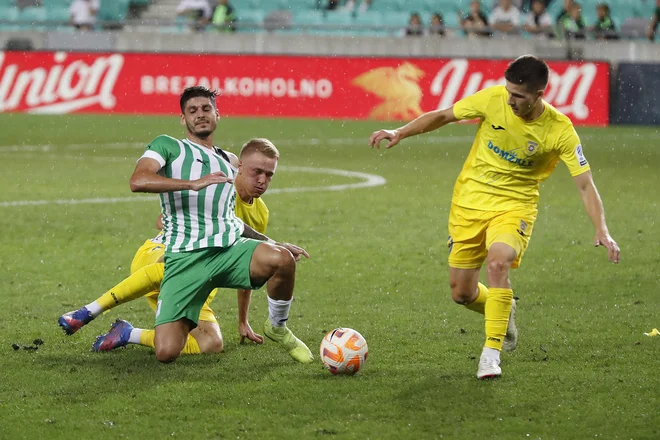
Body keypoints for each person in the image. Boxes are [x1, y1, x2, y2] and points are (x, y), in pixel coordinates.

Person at [368, 55, 620, 380]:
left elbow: (585, 184)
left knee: (498, 263)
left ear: (540, 94)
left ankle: (490, 354)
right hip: (469, 203)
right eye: (509, 92)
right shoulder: (492, 99)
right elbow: (444, 115)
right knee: (461, 293)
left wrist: (602, 228)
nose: (511, 100)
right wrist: (400, 131)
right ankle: (503, 307)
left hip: (515, 205)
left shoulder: (560, 130)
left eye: (520, 96)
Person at [113, 86, 312, 364]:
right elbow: (138, 181)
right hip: (181, 257)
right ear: (183, 119)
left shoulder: (229, 162)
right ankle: (102, 315)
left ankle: (277, 327)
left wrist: (271, 243)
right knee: (166, 351)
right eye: (192, 111)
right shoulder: (169, 147)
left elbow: (229, 221)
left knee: (281, 260)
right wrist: (192, 184)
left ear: (217, 115)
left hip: (221, 256)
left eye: (206, 109)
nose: (200, 115)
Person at [58, 138, 283, 354]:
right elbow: (160, 220)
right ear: (240, 167)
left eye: (269, 175)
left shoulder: (260, 213)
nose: (262, 180)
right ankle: (89, 311)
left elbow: (247, 269)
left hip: (196, 284)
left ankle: (127, 334)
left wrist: (243, 321)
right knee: (176, 266)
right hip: (160, 256)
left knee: (211, 344)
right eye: (257, 172)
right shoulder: (216, 190)